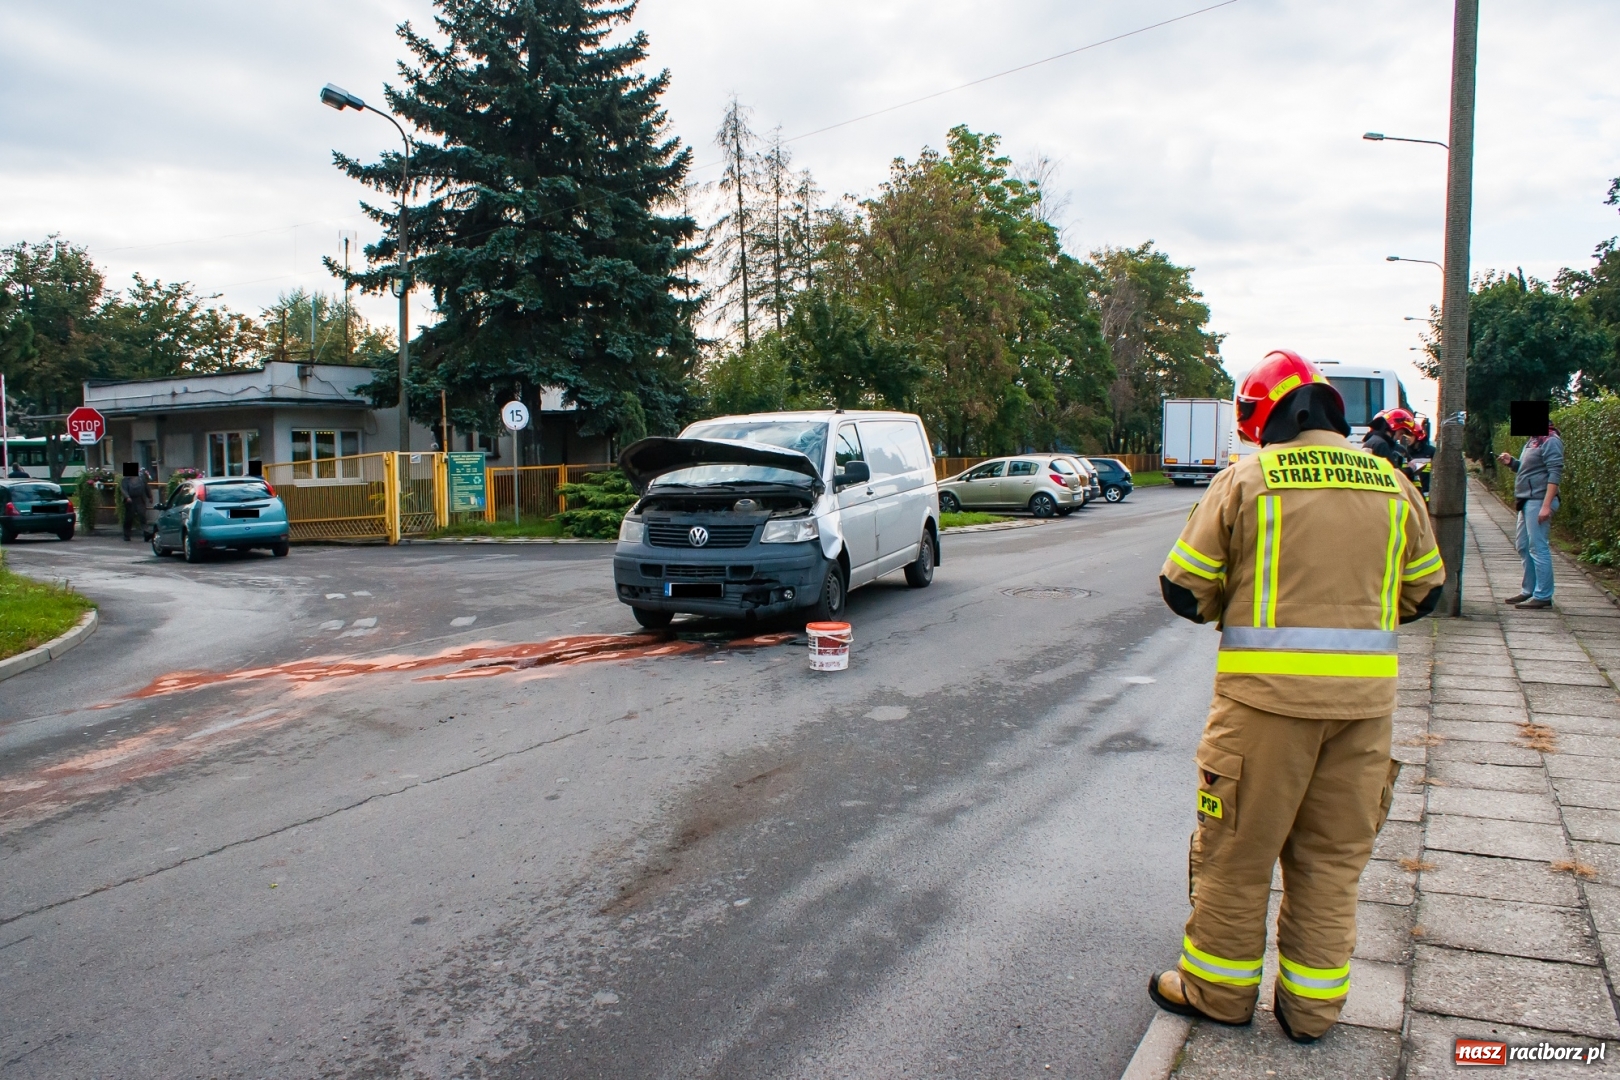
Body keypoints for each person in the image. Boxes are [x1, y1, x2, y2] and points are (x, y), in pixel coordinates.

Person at [1150, 350, 1445, 1044]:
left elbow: (1182, 588)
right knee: (1332, 863)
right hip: (1364, 717)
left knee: (1236, 855)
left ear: (1263, 418)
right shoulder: (1393, 482)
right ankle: (1311, 1013)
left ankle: (1217, 992)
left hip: (1264, 712)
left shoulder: (1248, 478)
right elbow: (1426, 593)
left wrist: (1238, 600)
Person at [1498, 423, 1563, 609]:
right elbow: (1529, 470)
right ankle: (1530, 590)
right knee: (1523, 546)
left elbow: (1554, 474)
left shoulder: (1551, 441)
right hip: (1527, 500)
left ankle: (1543, 594)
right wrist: (1512, 463)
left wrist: (1546, 505)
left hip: (1539, 500)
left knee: (1538, 547)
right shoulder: (1533, 441)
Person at [120, 464, 152, 542]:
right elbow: (123, 490)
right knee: (129, 519)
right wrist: (127, 497)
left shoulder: (141, 479)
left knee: (143, 517)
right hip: (130, 501)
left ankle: (146, 533)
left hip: (140, 500)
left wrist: (150, 496)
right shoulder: (125, 480)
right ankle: (126, 535)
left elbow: (146, 487)